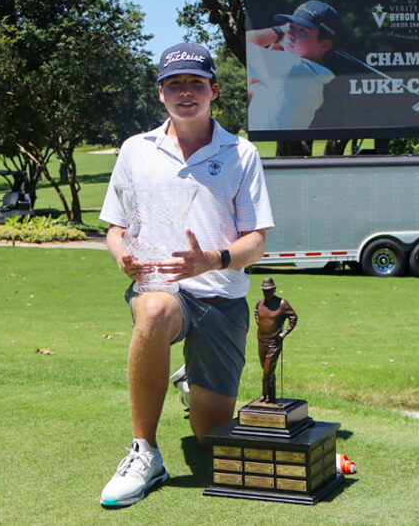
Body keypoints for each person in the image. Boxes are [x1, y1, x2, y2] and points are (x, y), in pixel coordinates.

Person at [97, 42, 274, 508]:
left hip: (221, 295)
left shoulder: (241, 153)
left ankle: (188, 383)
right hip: (161, 288)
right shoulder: (136, 150)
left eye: (195, 82)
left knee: (211, 440)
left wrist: (211, 260)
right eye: (174, 83)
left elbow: (256, 241)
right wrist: (122, 257)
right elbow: (116, 228)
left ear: (214, 90)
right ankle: (145, 452)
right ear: (161, 94)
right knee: (154, 309)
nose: (185, 92)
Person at [246, 0, 339, 130]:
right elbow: (254, 88)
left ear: (325, 45)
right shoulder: (311, 77)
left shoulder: (295, 68)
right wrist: (280, 44)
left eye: (302, 30)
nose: (290, 35)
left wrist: (279, 31)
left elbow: (243, 43)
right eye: (291, 27)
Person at [253, 278, 297, 403]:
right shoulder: (260, 303)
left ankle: (264, 394)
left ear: (274, 289)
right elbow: (256, 312)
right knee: (267, 370)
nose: (266, 293)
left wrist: (284, 333)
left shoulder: (282, 304)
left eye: (269, 290)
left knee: (267, 371)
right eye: (264, 291)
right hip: (261, 340)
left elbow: (293, 318)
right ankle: (270, 397)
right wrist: (258, 322)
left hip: (274, 342)